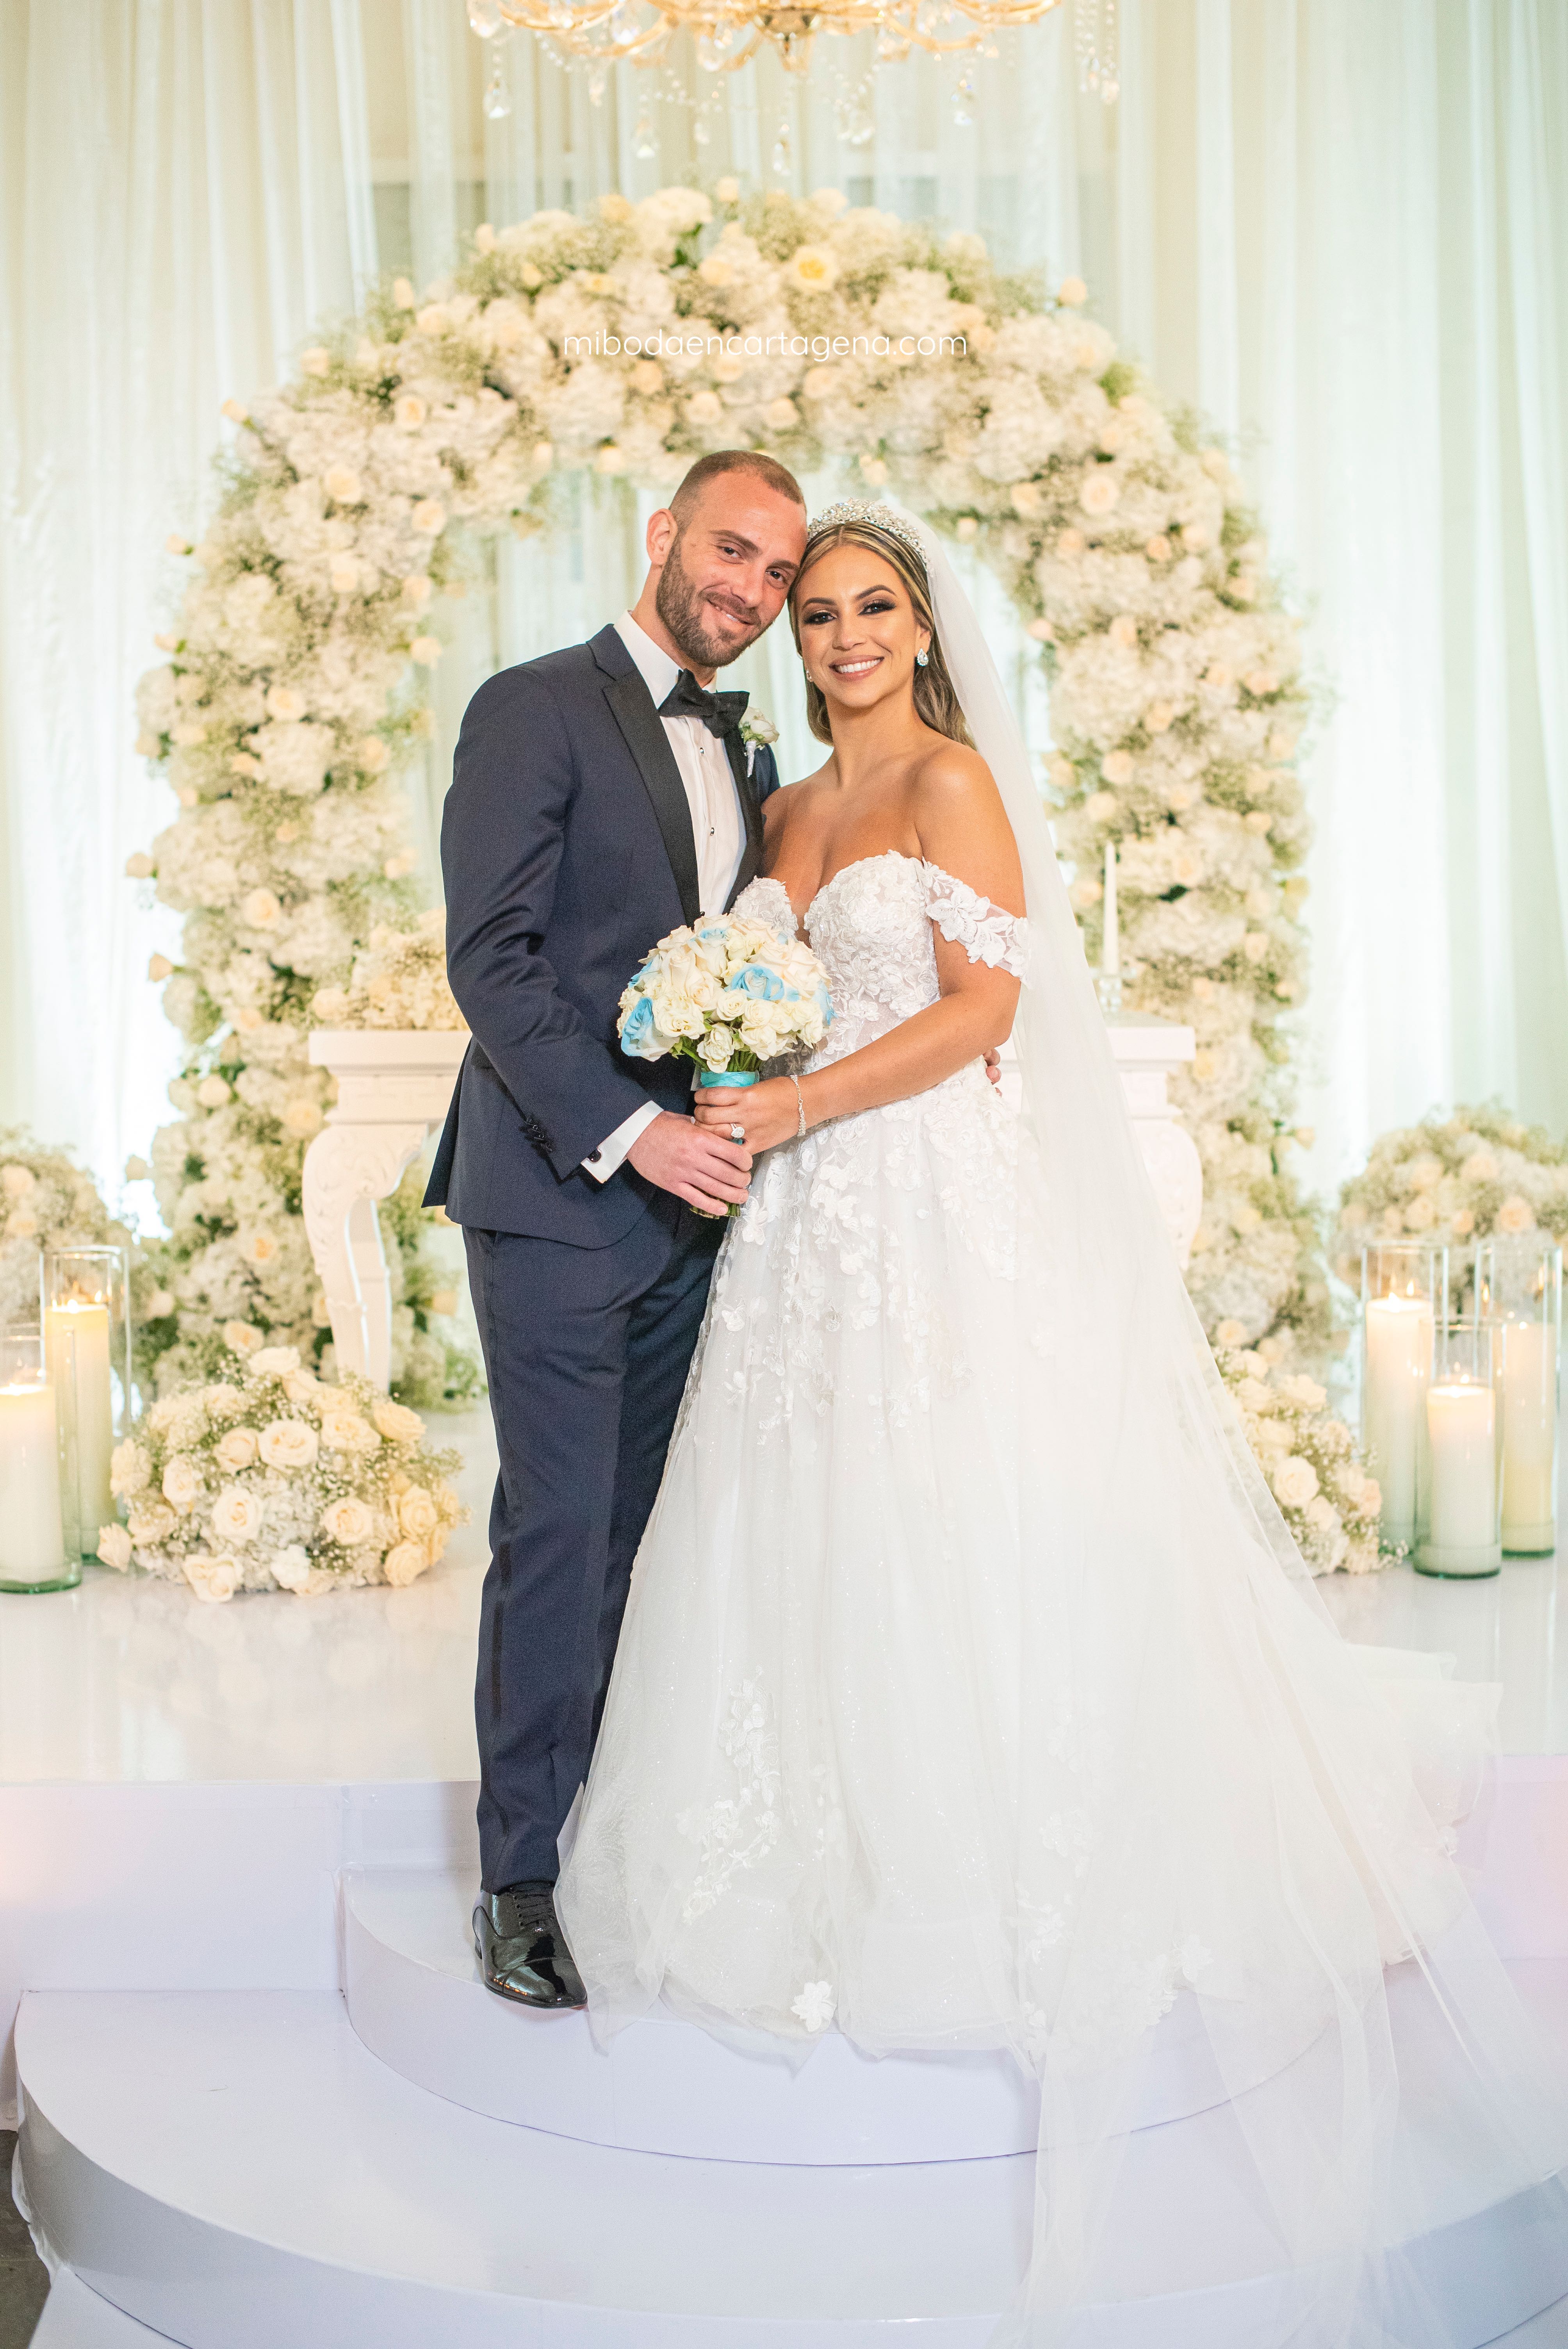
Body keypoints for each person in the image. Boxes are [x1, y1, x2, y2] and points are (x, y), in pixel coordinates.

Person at [556, 502, 1568, 2343]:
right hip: (801, 1215)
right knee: (812, 1499)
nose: (844, 634)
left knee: (951, 1495)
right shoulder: (786, 809)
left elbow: (982, 1015)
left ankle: (988, 1846)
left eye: (874, 605)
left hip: (924, 1187)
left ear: (920, 627)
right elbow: (767, 1001)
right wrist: (735, 1071)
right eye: (817, 608)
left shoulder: (946, 784)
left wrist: (799, 1106)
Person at [426, 449, 806, 2007]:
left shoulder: (753, 748)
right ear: (663, 535)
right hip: (560, 1193)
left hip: (699, 1214)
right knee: (559, 1530)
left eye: (776, 573)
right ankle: (518, 1877)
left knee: (643, 1537)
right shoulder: (533, 707)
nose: (749, 589)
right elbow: (493, 960)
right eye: (731, 550)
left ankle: (609, 1831)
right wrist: (636, 1131)